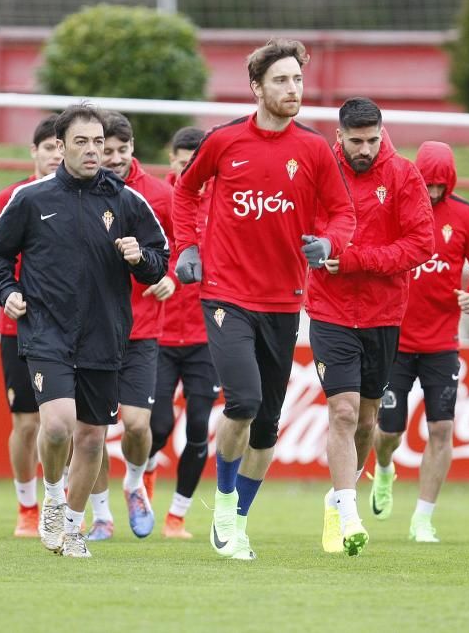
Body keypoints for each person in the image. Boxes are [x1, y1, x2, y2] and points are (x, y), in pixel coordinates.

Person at [172, 38, 356, 560]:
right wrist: (187, 245)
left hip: (284, 300)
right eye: (280, 80)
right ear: (256, 87)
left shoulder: (315, 149)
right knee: (244, 402)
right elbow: (186, 192)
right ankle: (225, 506)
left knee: (267, 428)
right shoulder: (224, 141)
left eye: (297, 79)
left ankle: (238, 521)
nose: (292, 88)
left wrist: (330, 243)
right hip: (226, 292)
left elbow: (343, 214)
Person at [0, 103, 169, 559]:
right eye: (81, 142)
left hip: (106, 336)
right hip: (46, 332)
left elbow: (158, 261)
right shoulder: (31, 198)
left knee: (91, 438)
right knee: (59, 427)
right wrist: (6, 292)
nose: (92, 150)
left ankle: (72, 527)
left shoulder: (126, 201)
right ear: (60, 146)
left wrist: (139, 258)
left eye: (98, 143)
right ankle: (52, 497)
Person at [308, 97, 434, 556]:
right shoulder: (320, 169)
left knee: (365, 421)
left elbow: (423, 243)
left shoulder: (402, 173)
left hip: (383, 315)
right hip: (329, 310)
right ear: (338, 136)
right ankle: (347, 512)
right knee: (341, 412)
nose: (365, 149)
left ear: (382, 133)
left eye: (372, 140)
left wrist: (357, 259)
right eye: (356, 140)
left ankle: (337, 499)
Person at [370, 141, 469, 543]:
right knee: (390, 431)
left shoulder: (466, 217)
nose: (435, 192)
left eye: (442, 186)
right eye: (430, 184)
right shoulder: (396, 208)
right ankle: (385, 469)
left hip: (442, 343)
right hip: (396, 339)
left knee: (441, 429)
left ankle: (423, 519)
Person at [84, 110, 175, 541]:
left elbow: (179, 248)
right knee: (93, 430)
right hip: (89, 331)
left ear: (133, 147)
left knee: (139, 424)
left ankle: (135, 482)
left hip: (142, 329)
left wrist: (168, 278)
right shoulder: (77, 192)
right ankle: (101, 514)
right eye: (108, 150)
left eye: (122, 150)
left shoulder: (157, 196)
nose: (115, 158)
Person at [146, 125, 219, 539]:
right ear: (172, 160)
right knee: (157, 426)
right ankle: (148, 465)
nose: (189, 166)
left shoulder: (221, 205)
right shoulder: (158, 201)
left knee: (197, 428)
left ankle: (177, 515)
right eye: (182, 158)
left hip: (206, 336)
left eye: (197, 160)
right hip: (158, 332)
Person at [0, 114, 63, 537]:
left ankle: (61, 503)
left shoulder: (84, 199)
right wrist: (6, 295)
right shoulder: (12, 197)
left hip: (65, 332)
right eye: (50, 147)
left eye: (63, 146)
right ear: (34, 153)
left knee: (64, 423)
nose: (57, 154)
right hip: (18, 330)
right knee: (26, 423)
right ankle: (26, 507)